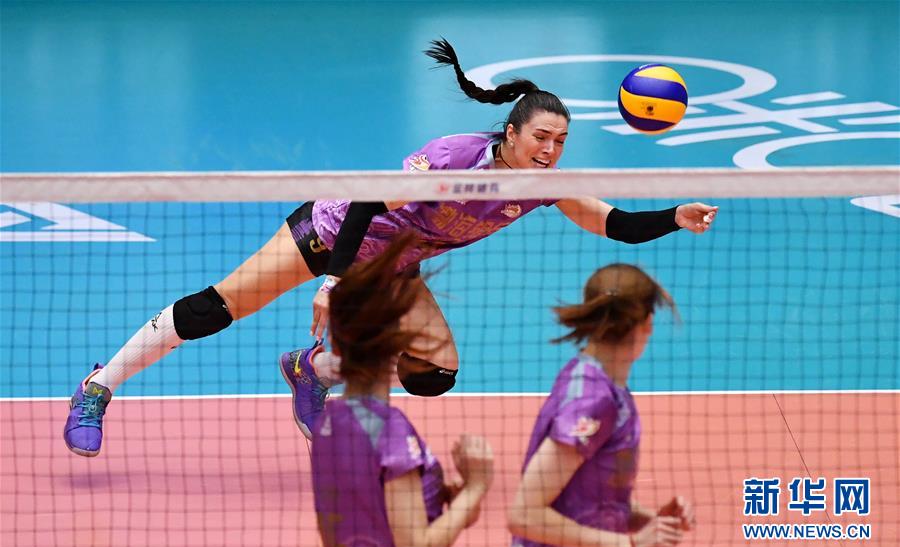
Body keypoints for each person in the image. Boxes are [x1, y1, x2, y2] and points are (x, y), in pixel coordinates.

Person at [64, 38, 718, 456]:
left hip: (396, 265)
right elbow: (369, 202)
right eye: (541, 138)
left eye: (561, 142)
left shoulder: (549, 187)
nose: (551, 151)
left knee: (434, 372)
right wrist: (333, 282)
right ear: (512, 133)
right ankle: (98, 386)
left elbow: (615, 224)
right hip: (331, 236)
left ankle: (315, 370)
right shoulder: (454, 159)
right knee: (219, 307)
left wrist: (675, 217)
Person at [311, 232, 493, 547]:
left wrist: (439, 497)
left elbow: (351, 520)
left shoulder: (327, 423)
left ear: (337, 346)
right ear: (399, 343)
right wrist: (476, 487)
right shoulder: (390, 432)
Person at [506, 263, 695, 547]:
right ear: (648, 323)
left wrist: (652, 523)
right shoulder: (592, 400)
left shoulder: (605, 385)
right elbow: (524, 515)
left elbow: (589, 502)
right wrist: (631, 545)